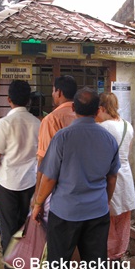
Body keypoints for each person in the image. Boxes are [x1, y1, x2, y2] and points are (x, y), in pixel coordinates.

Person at [32, 87, 121, 269]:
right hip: (97, 211)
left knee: (58, 266)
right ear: (98, 110)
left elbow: (49, 178)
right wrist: (105, 201)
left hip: (65, 212)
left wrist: (38, 204)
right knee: (96, 267)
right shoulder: (109, 139)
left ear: (73, 107)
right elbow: (112, 178)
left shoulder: (62, 138)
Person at [0, 80, 40, 269]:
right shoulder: (37, 123)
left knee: (8, 232)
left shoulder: (4, 123)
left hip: (6, 186)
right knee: (25, 231)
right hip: (30, 184)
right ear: (29, 100)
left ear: (9, 99)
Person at [97, 92, 135, 264]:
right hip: (126, 175)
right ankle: (119, 254)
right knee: (123, 218)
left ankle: (108, 254)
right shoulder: (128, 126)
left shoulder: (103, 127)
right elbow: (125, 151)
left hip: (109, 176)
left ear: (102, 108)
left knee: (108, 219)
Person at [32, 75, 77, 214]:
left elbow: (44, 160)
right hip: (83, 187)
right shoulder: (84, 116)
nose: (52, 94)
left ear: (59, 92)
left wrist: (38, 198)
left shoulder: (51, 119)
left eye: (53, 90)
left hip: (58, 189)